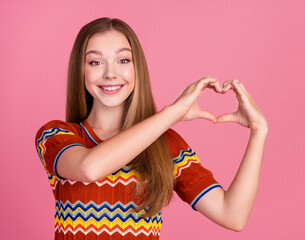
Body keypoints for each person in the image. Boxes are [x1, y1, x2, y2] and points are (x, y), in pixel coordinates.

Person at [35, 17, 268, 240]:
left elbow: (232, 215)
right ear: (80, 71)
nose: (110, 73)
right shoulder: (56, 135)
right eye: (95, 62)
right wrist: (172, 113)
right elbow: (89, 169)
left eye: (123, 60)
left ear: (138, 69)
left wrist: (259, 131)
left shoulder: (166, 144)